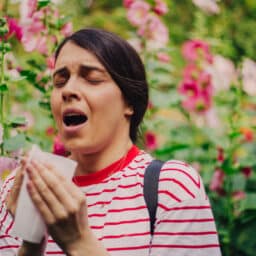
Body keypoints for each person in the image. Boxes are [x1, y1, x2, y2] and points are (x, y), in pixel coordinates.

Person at [0, 28, 222, 256]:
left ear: (130, 103)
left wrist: (78, 242)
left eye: (93, 79)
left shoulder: (170, 188)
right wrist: (31, 245)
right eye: (60, 81)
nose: (68, 90)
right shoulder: (18, 191)